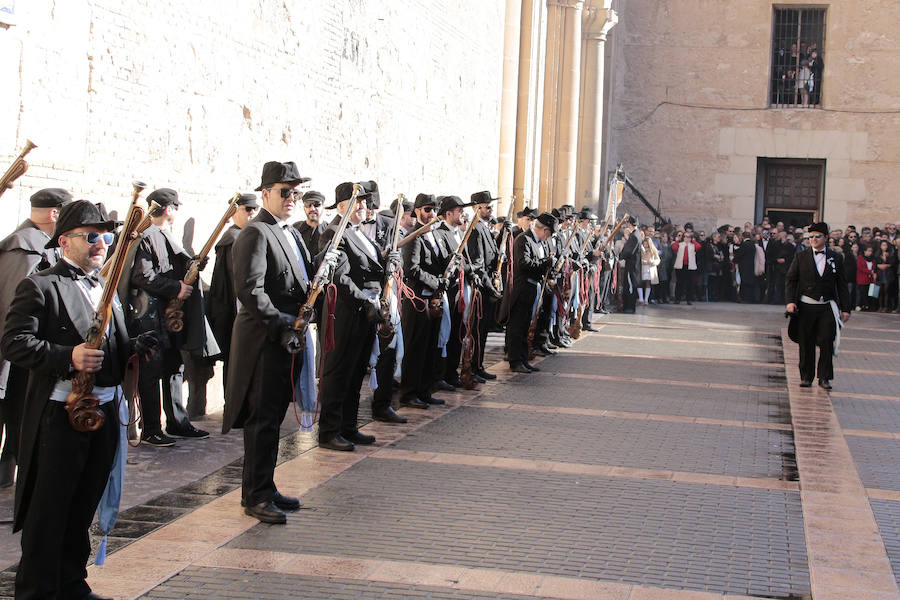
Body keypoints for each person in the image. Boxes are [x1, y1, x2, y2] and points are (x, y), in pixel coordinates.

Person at [1, 200, 156, 600]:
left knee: (83, 503)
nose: (101, 243)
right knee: (49, 510)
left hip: (103, 411)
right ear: (65, 240)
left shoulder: (104, 286)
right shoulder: (40, 285)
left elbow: (113, 345)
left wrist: (136, 345)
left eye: (106, 236)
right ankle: (36, 591)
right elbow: (15, 343)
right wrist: (65, 356)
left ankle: (71, 583)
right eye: (91, 236)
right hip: (60, 414)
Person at [223, 160, 334, 524]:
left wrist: (326, 264)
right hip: (264, 341)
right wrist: (284, 325)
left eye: (296, 192)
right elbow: (250, 291)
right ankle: (254, 496)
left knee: (273, 418)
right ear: (266, 193)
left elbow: (299, 283)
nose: (291, 198)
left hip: (287, 339)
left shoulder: (291, 232)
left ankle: (266, 487)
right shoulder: (257, 232)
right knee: (261, 420)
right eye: (284, 192)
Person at [316, 182, 400, 451]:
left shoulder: (359, 232)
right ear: (343, 206)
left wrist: (389, 259)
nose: (365, 206)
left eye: (365, 202)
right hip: (346, 312)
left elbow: (371, 267)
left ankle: (349, 427)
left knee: (355, 374)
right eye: (359, 202)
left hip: (365, 311)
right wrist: (366, 304)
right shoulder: (336, 231)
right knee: (338, 373)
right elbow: (340, 277)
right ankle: (329, 431)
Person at [126, 188, 210, 446]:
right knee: (151, 372)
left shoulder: (164, 235)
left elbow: (175, 266)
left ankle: (177, 421)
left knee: (175, 368)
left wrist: (194, 265)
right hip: (150, 317)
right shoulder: (146, 236)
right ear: (167, 209)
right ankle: (151, 428)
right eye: (174, 207)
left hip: (170, 316)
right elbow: (143, 276)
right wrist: (176, 288)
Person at [0, 188, 72, 487]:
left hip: (32, 353)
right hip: (17, 355)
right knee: (15, 415)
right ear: (55, 214)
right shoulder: (24, 248)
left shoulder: (40, 244)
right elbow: (13, 310)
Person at [785, 222, 851, 390]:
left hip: (826, 306)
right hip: (807, 305)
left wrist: (846, 308)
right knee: (806, 343)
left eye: (818, 236)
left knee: (826, 341)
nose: (814, 239)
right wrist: (790, 302)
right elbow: (791, 280)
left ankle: (824, 377)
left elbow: (842, 284)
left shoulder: (836, 257)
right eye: (811, 236)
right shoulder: (801, 256)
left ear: (826, 238)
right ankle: (806, 377)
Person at [207, 193, 259, 393]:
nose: (252, 213)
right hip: (233, 313)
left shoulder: (245, 237)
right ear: (234, 212)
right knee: (235, 362)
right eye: (247, 209)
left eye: (254, 208)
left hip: (243, 312)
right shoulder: (232, 240)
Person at [399, 193, 447, 409]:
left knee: (430, 347)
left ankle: (425, 390)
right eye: (427, 210)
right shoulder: (414, 236)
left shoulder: (434, 235)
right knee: (416, 347)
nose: (431, 214)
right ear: (417, 211)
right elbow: (412, 269)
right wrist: (436, 282)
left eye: (434, 210)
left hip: (434, 299)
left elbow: (441, 261)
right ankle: (409, 393)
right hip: (418, 298)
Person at [507, 212, 555, 373]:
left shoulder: (539, 243)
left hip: (534, 288)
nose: (548, 238)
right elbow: (524, 264)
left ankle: (523, 358)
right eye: (549, 234)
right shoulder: (524, 239)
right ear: (545, 230)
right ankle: (515, 361)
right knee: (518, 326)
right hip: (523, 289)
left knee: (527, 325)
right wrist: (545, 263)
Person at [467, 192, 502, 381]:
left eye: (491, 207)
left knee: (483, 329)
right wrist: (491, 288)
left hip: (488, 284)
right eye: (486, 207)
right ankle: (472, 366)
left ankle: (478, 364)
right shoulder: (475, 228)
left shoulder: (485, 228)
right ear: (476, 208)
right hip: (481, 288)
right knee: (477, 330)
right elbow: (478, 264)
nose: (490, 210)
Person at [293, 190, 327, 256]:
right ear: (304, 208)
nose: (312, 209)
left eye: (317, 204)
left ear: (323, 206)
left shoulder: (329, 231)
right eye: (308, 205)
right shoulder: (295, 229)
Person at [671, 229, 700, 304]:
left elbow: (698, 247)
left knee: (690, 284)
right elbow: (674, 248)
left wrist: (693, 241)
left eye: (689, 237)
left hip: (690, 266)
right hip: (680, 266)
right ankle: (678, 299)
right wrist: (677, 240)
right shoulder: (680, 244)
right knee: (679, 283)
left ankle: (689, 299)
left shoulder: (693, 245)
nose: (687, 238)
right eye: (686, 237)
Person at [620, 216, 641, 313]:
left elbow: (628, 251)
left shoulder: (634, 236)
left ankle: (629, 306)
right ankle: (629, 306)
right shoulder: (636, 234)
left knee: (630, 286)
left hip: (632, 266)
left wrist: (620, 256)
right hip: (633, 265)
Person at [639, 236, 660, 305]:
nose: (645, 246)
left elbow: (658, 260)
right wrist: (642, 261)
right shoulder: (641, 250)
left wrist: (653, 262)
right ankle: (641, 298)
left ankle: (646, 299)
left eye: (646, 244)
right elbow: (638, 258)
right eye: (644, 244)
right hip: (642, 268)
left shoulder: (653, 250)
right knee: (640, 283)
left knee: (648, 283)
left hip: (650, 268)